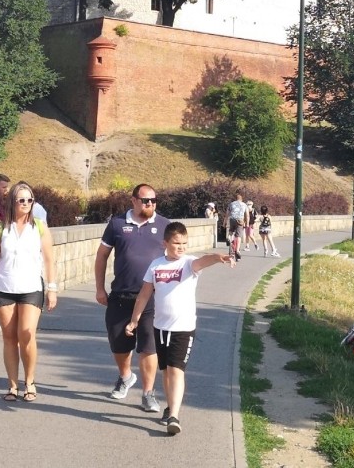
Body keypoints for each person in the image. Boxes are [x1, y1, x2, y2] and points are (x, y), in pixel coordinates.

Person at [125, 222, 236, 435]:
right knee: (165, 371)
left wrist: (217, 258)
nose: (181, 247)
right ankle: (170, 407)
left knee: (176, 370)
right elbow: (145, 294)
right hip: (160, 327)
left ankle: (174, 416)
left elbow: (202, 261)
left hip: (183, 328)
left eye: (185, 243)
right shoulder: (156, 265)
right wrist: (134, 320)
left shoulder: (188, 263)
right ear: (165, 243)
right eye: (177, 243)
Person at [0, 181, 57, 402]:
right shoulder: (2, 229)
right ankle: (12, 385)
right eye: (22, 200)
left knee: (26, 334)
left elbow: (49, 260)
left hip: (31, 288)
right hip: (4, 288)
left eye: (30, 199)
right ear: (12, 202)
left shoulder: (39, 227)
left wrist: (52, 289)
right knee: (10, 338)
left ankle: (29, 381)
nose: (26, 203)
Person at [95, 183, 170, 412]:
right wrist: (100, 288)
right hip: (120, 295)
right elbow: (102, 256)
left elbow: (176, 258)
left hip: (151, 298)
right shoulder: (117, 224)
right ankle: (126, 376)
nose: (150, 205)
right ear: (134, 200)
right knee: (119, 344)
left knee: (148, 347)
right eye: (146, 200)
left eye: (154, 201)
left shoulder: (164, 224)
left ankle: (148, 393)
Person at [225, 191, 248, 262]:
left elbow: (227, 214)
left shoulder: (231, 204)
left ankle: (229, 238)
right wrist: (247, 223)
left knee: (231, 231)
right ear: (241, 199)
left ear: (235, 199)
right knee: (238, 236)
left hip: (232, 219)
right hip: (240, 220)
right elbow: (247, 215)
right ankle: (237, 250)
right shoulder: (244, 205)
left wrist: (224, 223)